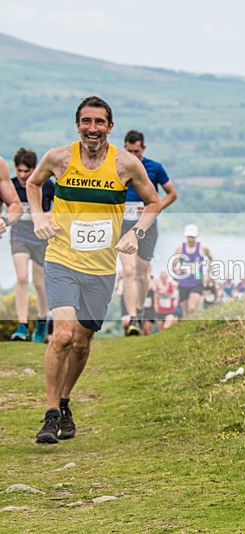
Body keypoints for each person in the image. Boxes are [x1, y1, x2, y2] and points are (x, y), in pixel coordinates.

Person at [27, 96, 161, 444]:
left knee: (83, 343)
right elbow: (33, 183)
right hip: (61, 259)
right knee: (63, 335)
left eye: (99, 122)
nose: (92, 128)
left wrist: (137, 233)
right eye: (86, 121)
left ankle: (66, 401)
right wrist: (39, 216)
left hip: (101, 268)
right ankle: (51, 413)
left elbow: (153, 202)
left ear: (109, 127)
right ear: (77, 125)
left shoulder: (125, 163)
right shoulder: (59, 157)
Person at [120, 130, 177, 336]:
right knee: (128, 270)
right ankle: (133, 316)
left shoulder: (155, 168)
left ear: (143, 149)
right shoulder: (117, 166)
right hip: (123, 225)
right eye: (129, 151)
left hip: (147, 226)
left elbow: (172, 193)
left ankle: (140, 308)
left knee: (142, 274)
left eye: (136, 151)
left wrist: (155, 207)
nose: (133, 155)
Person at [7, 150, 49, 341]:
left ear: (34, 169)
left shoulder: (46, 185)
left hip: (41, 239)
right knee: (22, 278)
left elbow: (60, 211)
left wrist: (41, 216)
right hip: (19, 237)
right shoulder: (12, 186)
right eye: (19, 171)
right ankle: (22, 326)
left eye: (27, 171)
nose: (23, 175)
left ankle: (41, 322)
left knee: (40, 284)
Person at [170, 224, 212, 317]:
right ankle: (187, 329)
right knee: (185, 312)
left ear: (196, 236)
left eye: (192, 237)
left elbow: (211, 259)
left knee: (191, 308)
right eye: (189, 237)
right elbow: (174, 263)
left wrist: (207, 274)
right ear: (186, 236)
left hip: (197, 281)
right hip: (183, 282)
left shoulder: (203, 248)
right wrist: (176, 269)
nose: (190, 239)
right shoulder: (180, 248)